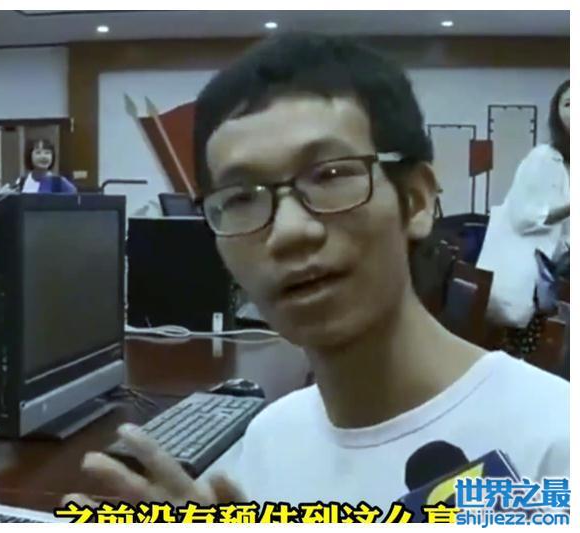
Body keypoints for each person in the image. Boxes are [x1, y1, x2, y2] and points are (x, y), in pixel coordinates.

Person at [67, 34, 568, 510]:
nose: (288, 231)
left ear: (416, 200)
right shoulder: (268, 442)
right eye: (240, 198)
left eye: (329, 175)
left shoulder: (555, 445)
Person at [497, 80, 570, 357]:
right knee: (531, 359)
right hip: (539, 281)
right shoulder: (542, 158)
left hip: (564, 280)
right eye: (568, 104)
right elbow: (522, 217)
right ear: (556, 113)